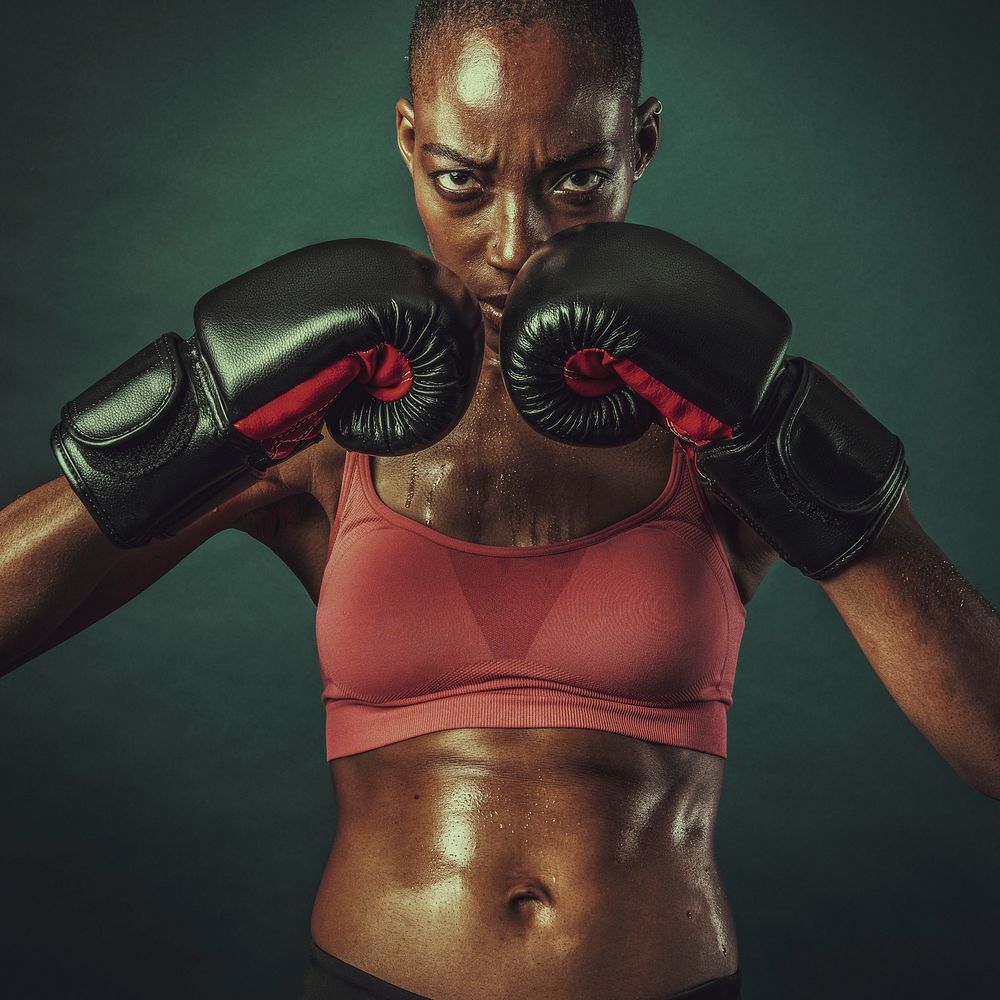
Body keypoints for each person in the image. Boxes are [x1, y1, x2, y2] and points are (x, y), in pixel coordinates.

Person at [2, 2, 998, 998]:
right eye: (461, 182)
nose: (514, 241)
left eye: (574, 177)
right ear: (408, 142)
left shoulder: (727, 414)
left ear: (638, 142)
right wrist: (199, 419)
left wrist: (782, 436)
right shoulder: (323, 422)